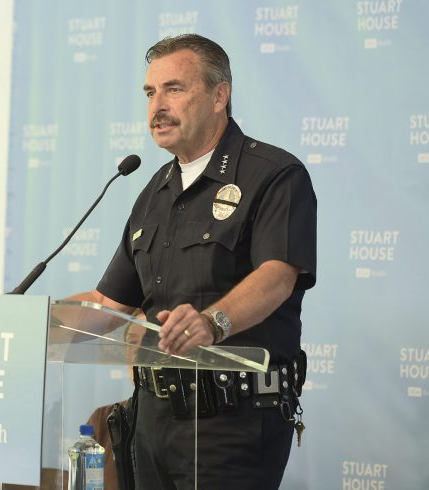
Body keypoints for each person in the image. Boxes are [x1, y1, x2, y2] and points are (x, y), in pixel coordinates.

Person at [69, 33, 317, 490]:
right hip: (151, 422)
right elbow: (109, 302)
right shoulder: (153, 191)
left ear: (220, 95)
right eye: (149, 92)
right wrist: (23, 324)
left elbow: (278, 276)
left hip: (233, 424)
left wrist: (212, 322)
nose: (156, 105)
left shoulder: (275, 176)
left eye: (174, 89)